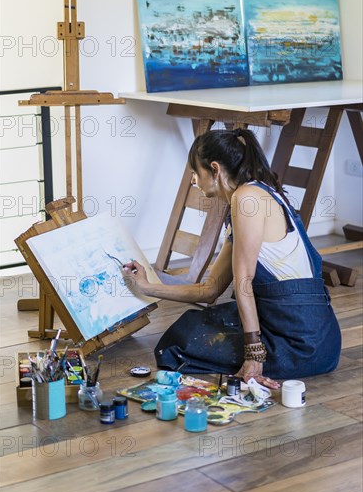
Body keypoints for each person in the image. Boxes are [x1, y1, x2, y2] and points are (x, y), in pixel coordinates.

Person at [124, 128, 341, 389]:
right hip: (322, 341)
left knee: (180, 341)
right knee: (193, 324)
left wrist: (254, 356)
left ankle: (266, 357)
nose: (194, 180)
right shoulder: (260, 193)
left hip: (300, 342)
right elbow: (209, 290)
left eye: (196, 172)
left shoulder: (246, 199)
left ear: (214, 169)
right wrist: (149, 284)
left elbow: (244, 283)